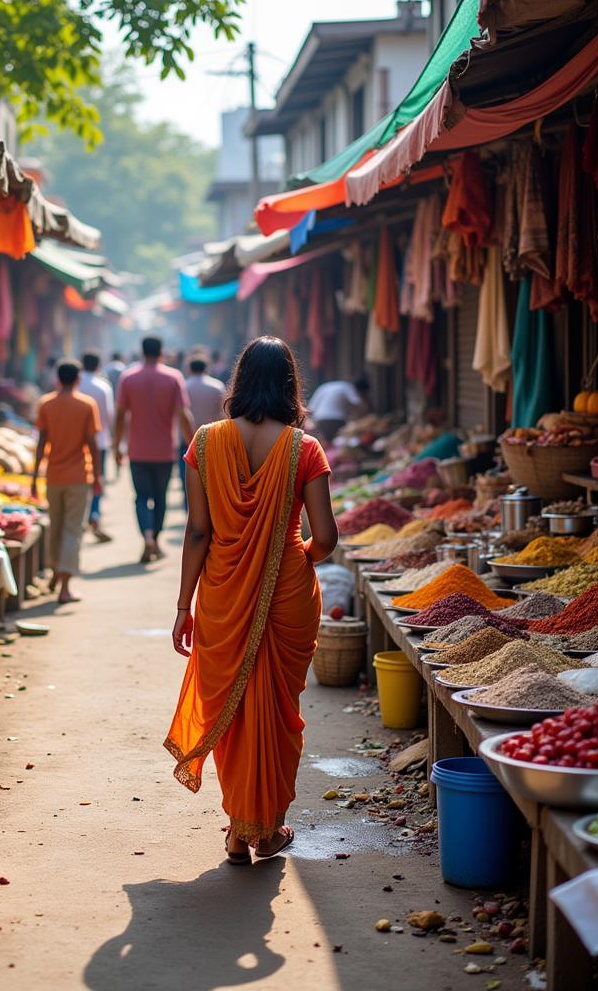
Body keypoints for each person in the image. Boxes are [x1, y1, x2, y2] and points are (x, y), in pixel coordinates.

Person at [165, 336, 337, 864]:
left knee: (235, 711)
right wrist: (294, 553)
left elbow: (198, 533)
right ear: (291, 384)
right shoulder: (303, 448)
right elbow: (326, 537)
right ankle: (267, 829)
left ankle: (239, 831)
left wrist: (182, 607)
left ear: (238, 381)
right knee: (279, 710)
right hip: (287, 589)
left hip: (220, 590)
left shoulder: (204, 441)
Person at [114, 336, 194, 563]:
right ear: (162, 351)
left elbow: (120, 415)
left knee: (141, 497)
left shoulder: (128, 378)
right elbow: (183, 414)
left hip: (137, 450)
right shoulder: (173, 377)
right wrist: (194, 443)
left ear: (142, 351)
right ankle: (156, 539)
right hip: (164, 451)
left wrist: (116, 445)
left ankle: (147, 537)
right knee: (161, 497)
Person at [32, 359, 102, 605]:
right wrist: (99, 476)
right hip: (79, 476)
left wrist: (34, 477)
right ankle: (64, 587)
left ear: (58, 379)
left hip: (53, 476)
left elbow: (41, 443)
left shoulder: (46, 404)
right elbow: (92, 444)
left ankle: (54, 572)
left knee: (56, 525)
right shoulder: (86, 405)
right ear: (78, 379)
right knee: (73, 529)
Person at [179, 354, 226, 509]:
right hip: (213, 440)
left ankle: (190, 512)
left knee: (188, 482)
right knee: (211, 481)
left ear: (189, 369)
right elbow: (223, 414)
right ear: (206, 368)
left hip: (187, 440)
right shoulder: (217, 386)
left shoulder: (184, 386)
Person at [79, 350, 114, 543]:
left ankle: (82, 517)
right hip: (99, 441)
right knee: (97, 479)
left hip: (76, 441)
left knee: (79, 478)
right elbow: (109, 415)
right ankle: (94, 514)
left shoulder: (76, 384)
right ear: (98, 365)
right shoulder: (103, 387)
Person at [307, 376, 371, 442]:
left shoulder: (324, 387)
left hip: (320, 420)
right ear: (360, 390)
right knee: (336, 443)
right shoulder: (348, 387)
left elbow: (311, 408)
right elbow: (359, 404)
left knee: (326, 443)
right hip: (337, 420)